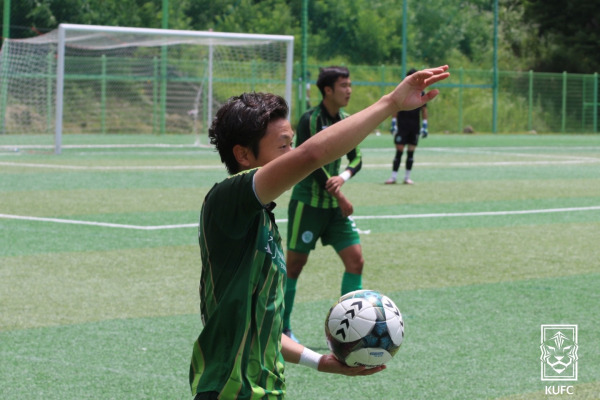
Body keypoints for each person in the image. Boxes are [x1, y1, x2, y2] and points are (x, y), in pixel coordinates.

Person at [189, 65, 450, 399]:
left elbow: (260, 330)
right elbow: (313, 155)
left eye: (292, 145)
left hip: (266, 391)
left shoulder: (260, 219)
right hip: (228, 392)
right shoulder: (227, 200)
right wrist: (390, 104)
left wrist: (319, 361)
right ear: (243, 154)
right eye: (284, 146)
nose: (292, 154)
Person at [283, 66, 363, 343]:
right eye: (343, 85)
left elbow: (357, 158)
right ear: (327, 90)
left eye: (350, 85)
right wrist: (340, 195)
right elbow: (312, 162)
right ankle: (282, 328)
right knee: (294, 266)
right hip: (309, 205)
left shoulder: (347, 120)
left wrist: (343, 176)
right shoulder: (310, 119)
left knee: (356, 261)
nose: (349, 90)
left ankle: (350, 330)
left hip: (334, 210)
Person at [385, 68, 429, 185]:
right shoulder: (402, 92)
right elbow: (395, 107)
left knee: (411, 153)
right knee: (399, 152)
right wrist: (394, 122)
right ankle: (393, 177)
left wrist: (425, 125)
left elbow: (424, 110)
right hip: (402, 126)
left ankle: (407, 177)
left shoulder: (421, 93)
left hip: (414, 127)